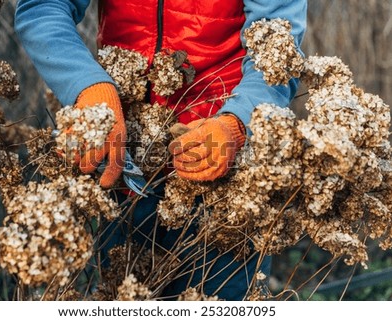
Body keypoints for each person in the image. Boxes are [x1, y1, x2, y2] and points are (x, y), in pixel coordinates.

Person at [15, 0, 307, 300]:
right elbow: (43, 8)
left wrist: (239, 122)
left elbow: (279, 44)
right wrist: (87, 87)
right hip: (123, 170)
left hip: (224, 184)